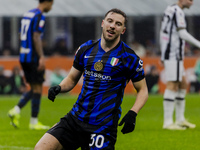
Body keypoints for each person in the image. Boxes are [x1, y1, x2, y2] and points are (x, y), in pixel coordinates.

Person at [34, 8, 148, 150]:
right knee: (41, 148)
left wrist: (133, 113)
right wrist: (59, 87)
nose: (113, 26)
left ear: (123, 30)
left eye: (118, 24)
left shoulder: (129, 58)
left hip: (102, 126)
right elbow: (71, 78)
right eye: (110, 21)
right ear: (103, 23)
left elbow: (142, 90)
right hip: (75, 119)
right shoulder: (86, 49)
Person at [8, 0, 54, 130]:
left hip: (24, 55)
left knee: (35, 88)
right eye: (51, 4)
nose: (51, 7)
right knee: (38, 88)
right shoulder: (39, 16)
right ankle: (33, 122)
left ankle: (16, 110)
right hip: (33, 57)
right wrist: (41, 57)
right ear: (47, 2)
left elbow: (20, 34)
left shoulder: (28, 14)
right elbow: (36, 36)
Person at [160, 0, 200, 130]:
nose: (191, 3)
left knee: (183, 83)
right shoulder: (177, 11)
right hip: (173, 54)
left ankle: (180, 119)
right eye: (190, 0)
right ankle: (167, 122)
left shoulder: (170, 9)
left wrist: (162, 53)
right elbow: (182, 34)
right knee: (173, 84)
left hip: (171, 53)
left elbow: (164, 33)